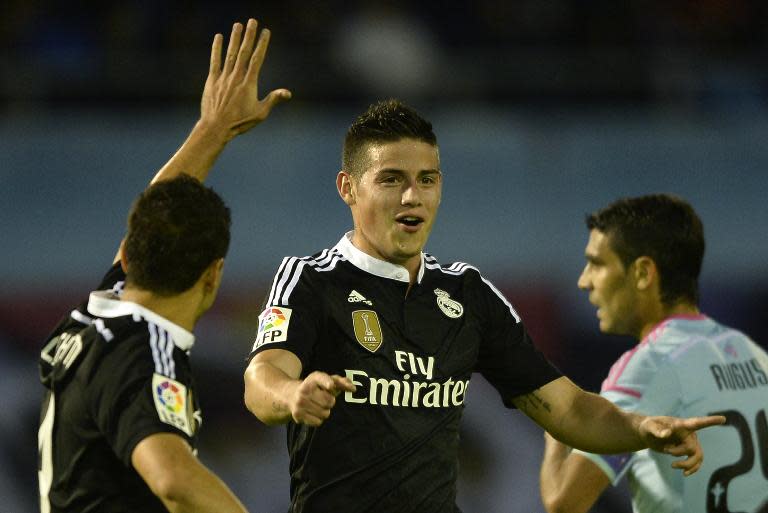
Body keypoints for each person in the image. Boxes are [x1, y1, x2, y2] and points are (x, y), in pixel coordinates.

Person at [242, 101, 725, 512]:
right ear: (348, 188)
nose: (413, 195)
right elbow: (260, 380)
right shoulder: (312, 280)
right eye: (391, 179)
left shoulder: (468, 295)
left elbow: (569, 410)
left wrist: (644, 429)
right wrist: (292, 395)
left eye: (426, 179)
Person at [37, 19, 290, 513]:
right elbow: (173, 477)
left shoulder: (101, 316)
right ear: (213, 275)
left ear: (130, 256)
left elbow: (154, 210)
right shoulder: (143, 352)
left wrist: (212, 130)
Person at [539, 194, 768, 513]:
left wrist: (557, 434)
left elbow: (564, 500)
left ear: (644, 273)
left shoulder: (650, 365)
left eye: (597, 263)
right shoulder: (751, 353)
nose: (584, 281)